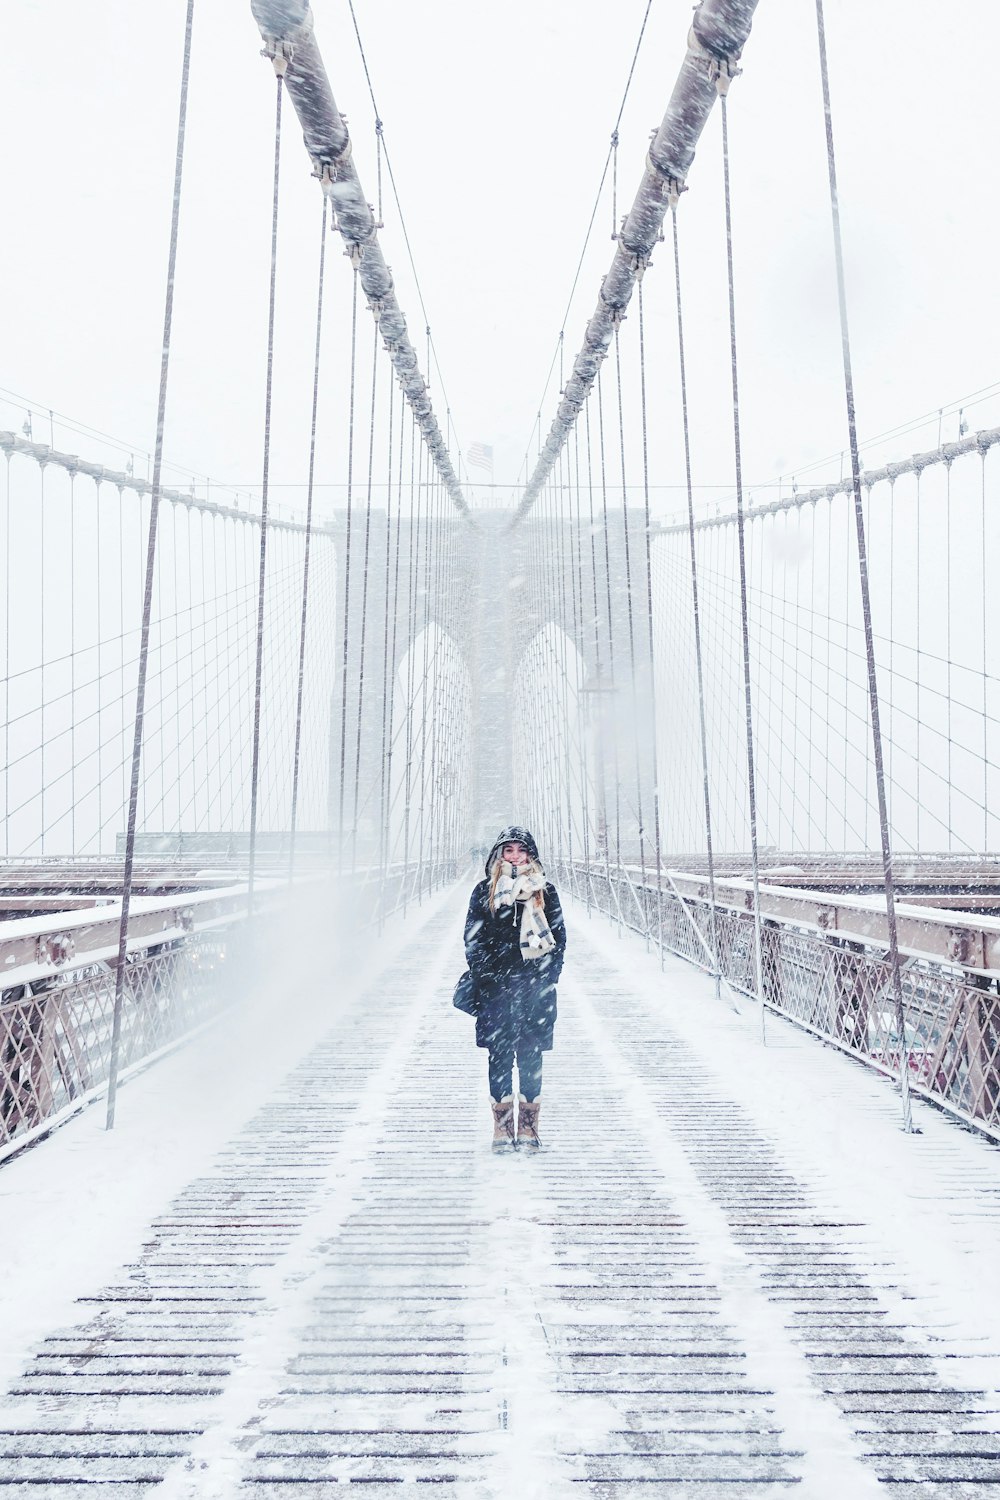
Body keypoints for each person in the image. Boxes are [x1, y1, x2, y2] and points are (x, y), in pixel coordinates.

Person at [463, 826, 566, 1153]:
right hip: (496, 992)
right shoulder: (484, 892)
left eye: (521, 851)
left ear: (531, 855)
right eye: (509, 851)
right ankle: (502, 1130)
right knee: (500, 1058)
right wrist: (488, 976)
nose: (515, 857)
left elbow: (559, 942)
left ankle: (528, 1129)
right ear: (499, 855)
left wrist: (546, 978)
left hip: (535, 992)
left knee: (531, 1058)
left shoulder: (545, 892)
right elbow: (472, 941)